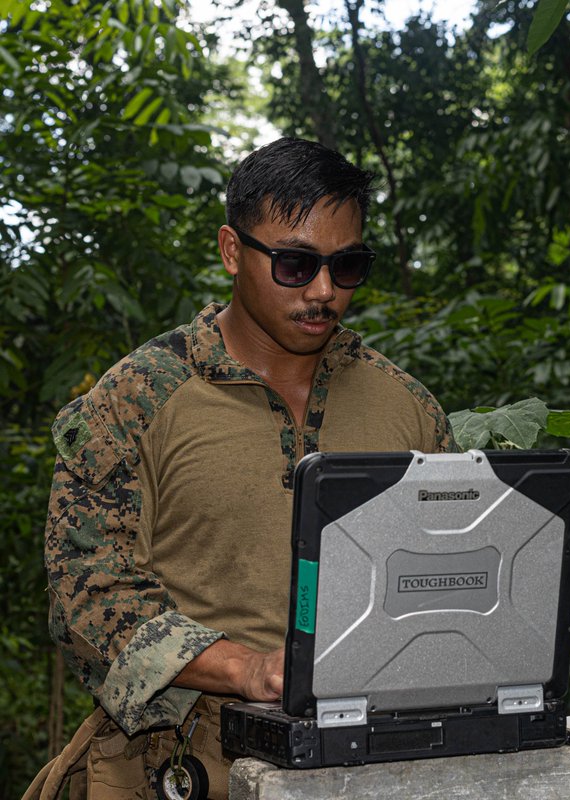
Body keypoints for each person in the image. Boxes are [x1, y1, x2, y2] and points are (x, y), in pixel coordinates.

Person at [27, 138, 454, 800]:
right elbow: (87, 595)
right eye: (294, 263)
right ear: (232, 250)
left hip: (375, 767)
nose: (323, 291)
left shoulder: (408, 410)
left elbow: (451, 585)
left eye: (346, 266)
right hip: (181, 767)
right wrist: (243, 669)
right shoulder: (138, 399)